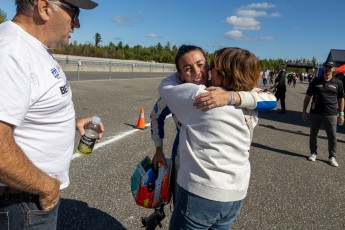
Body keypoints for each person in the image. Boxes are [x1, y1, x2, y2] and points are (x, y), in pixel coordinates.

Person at [0, 0, 103, 229]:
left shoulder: (33, 47)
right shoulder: (11, 52)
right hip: (23, 201)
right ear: (44, 7)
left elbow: (25, 109)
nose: (76, 23)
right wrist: (47, 187)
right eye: (74, 12)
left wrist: (69, 123)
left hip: (28, 196)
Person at [150, 45, 277, 202]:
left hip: (220, 172)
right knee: (180, 203)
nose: (197, 73)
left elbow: (271, 99)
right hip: (184, 158)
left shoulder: (223, 86)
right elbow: (155, 116)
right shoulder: (176, 95)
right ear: (180, 75)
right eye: (188, 69)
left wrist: (232, 96)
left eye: (200, 64)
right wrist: (158, 149)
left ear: (209, 65)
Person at [302, 61, 344, 167]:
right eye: (326, 67)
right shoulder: (316, 81)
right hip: (316, 112)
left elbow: (341, 98)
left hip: (331, 113)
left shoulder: (338, 82)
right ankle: (313, 153)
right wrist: (304, 110)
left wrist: (341, 113)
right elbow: (308, 97)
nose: (328, 69)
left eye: (330, 67)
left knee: (332, 136)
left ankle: (332, 156)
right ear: (324, 68)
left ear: (333, 69)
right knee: (313, 134)